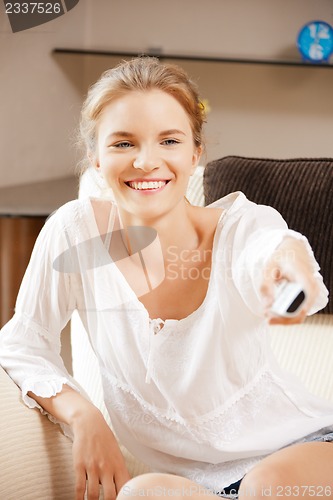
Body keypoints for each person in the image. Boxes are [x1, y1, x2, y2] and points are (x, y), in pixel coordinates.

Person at [0, 57, 332, 500]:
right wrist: (84, 415)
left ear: (194, 154)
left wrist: (289, 266)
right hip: (197, 486)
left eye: (168, 140)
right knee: (140, 494)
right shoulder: (73, 231)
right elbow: (23, 341)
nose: (145, 161)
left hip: (303, 455)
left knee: (264, 489)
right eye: (122, 143)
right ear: (96, 158)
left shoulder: (242, 227)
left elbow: (273, 250)